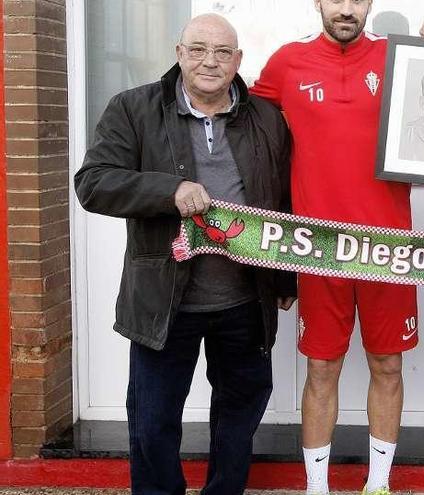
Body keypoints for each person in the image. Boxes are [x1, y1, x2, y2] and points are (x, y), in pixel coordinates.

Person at [74, 14, 296, 495]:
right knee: (153, 424)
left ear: (238, 60)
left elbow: (281, 201)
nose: (209, 62)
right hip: (163, 301)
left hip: (244, 300)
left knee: (238, 420)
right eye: (198, 49)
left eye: (222, 53)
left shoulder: (266, 119)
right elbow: (93, 184)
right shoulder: (133, 109)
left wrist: (283, 281)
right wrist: (168, 190)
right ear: (179, 53)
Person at [249, 2, 424, 494]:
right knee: (322, 367)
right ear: (318, 3)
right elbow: (240, 123)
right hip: (318, 250)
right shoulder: (287, 62)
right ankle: (317, 487)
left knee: (387, 364)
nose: (346, 8)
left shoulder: (400, 57)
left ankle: (378, 484)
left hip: (390, 248)